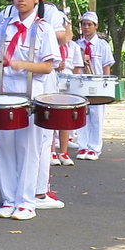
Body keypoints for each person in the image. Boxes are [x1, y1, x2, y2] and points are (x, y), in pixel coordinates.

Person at [0, 0, 60, 220]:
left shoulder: (43, 29)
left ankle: (26, 202)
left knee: (29, 149)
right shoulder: (3, 26)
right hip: (3, 94)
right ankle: (8, 199)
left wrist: (20, 64)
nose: (20, 0)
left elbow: (48, 66)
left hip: (31, 96)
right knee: (3, 147)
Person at [76, 11, 115, 160]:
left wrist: (106, 87)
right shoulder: (76, 45)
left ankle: (94, 148)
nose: (86, 27)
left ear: (96, 26)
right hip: (81, 86)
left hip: (97, 86)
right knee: (82, 116)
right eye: (84, 24)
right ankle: (83, 146)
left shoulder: (102, 45)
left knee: (96, 117)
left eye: (89, 24)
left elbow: (106, 67)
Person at [51, 16, 83, 166]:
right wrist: (55, 66)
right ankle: (51, 151)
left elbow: (77, 68)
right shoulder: (51, 44)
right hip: (53, 81)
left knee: (65, 118)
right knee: (51, 117)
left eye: (66, 26)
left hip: (68, 83)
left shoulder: (74, 47)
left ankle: (63, 152)